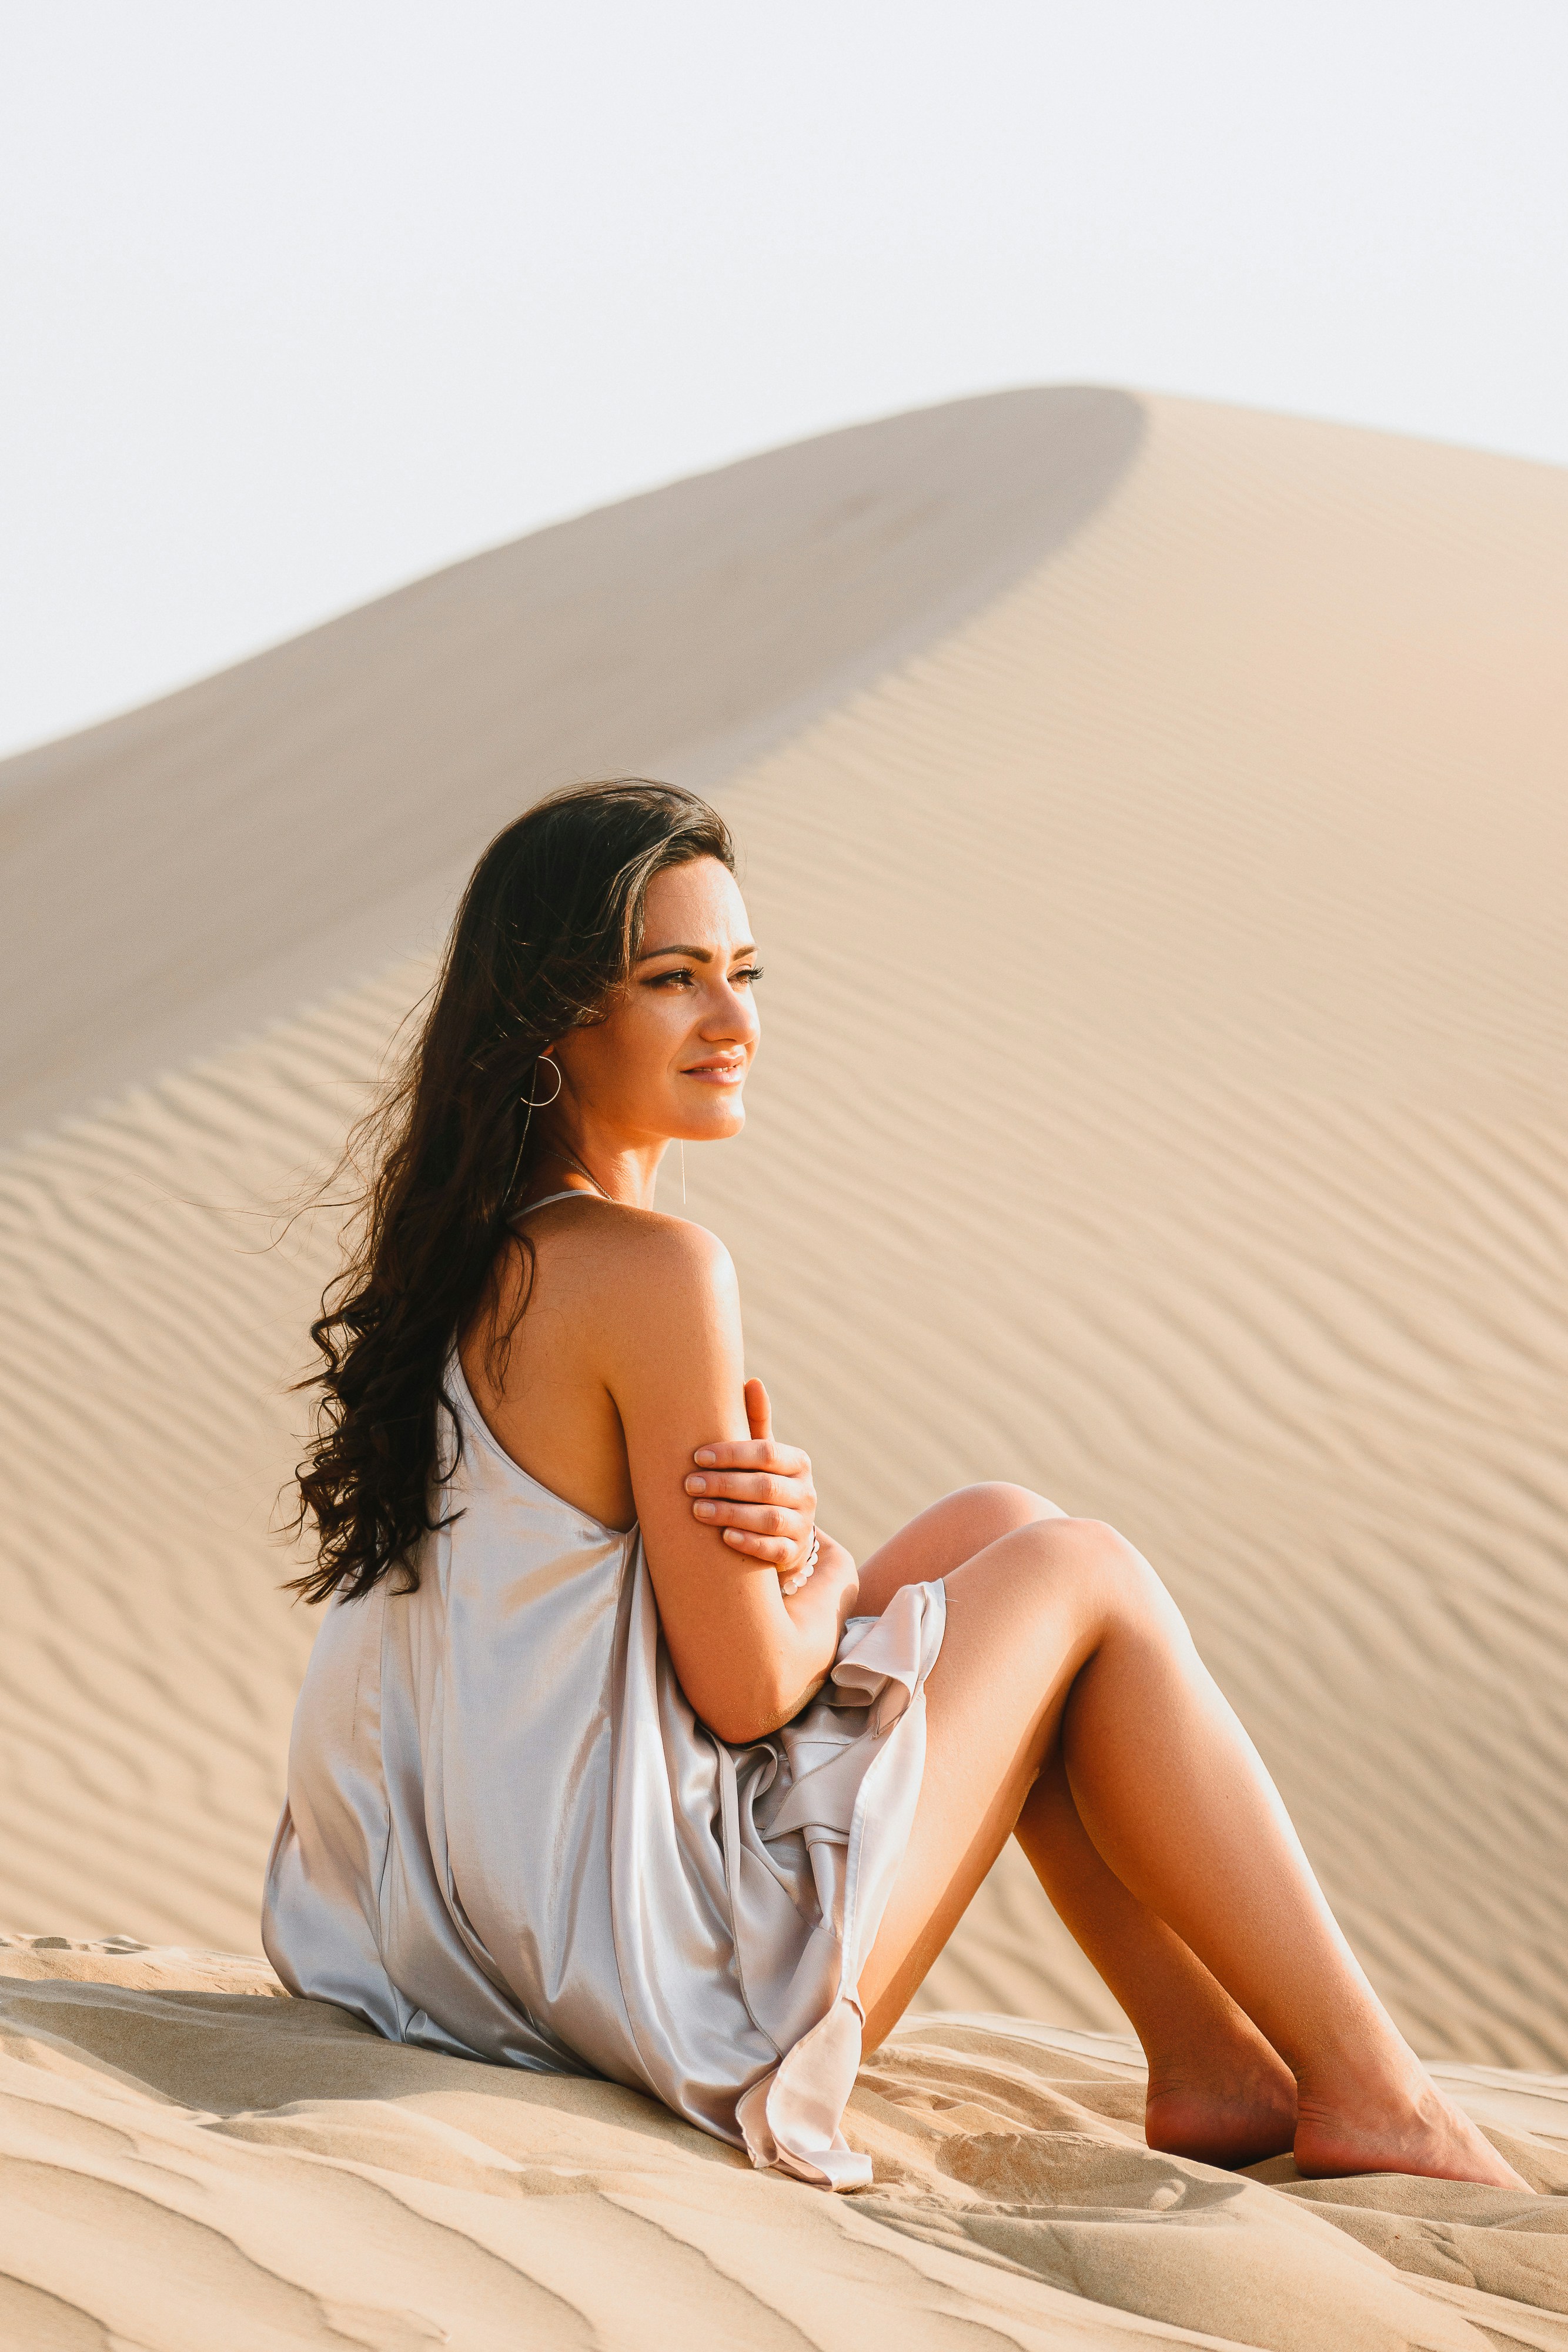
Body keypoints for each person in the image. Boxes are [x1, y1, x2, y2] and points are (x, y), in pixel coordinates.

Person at [263, 778, 1525, 2194]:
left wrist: (800, 1567)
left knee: (997, 1528)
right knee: (1081, 1572)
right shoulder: (653, 1272)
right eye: (672, 980)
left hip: (463, 1947)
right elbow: (744, 1689)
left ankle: (1214, 2063)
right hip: (648, 1992)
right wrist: (819, 1568)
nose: (733, 1022)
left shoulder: (468, 1259)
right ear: (551, 1016)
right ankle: (1373, 2089)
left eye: (741, 975)